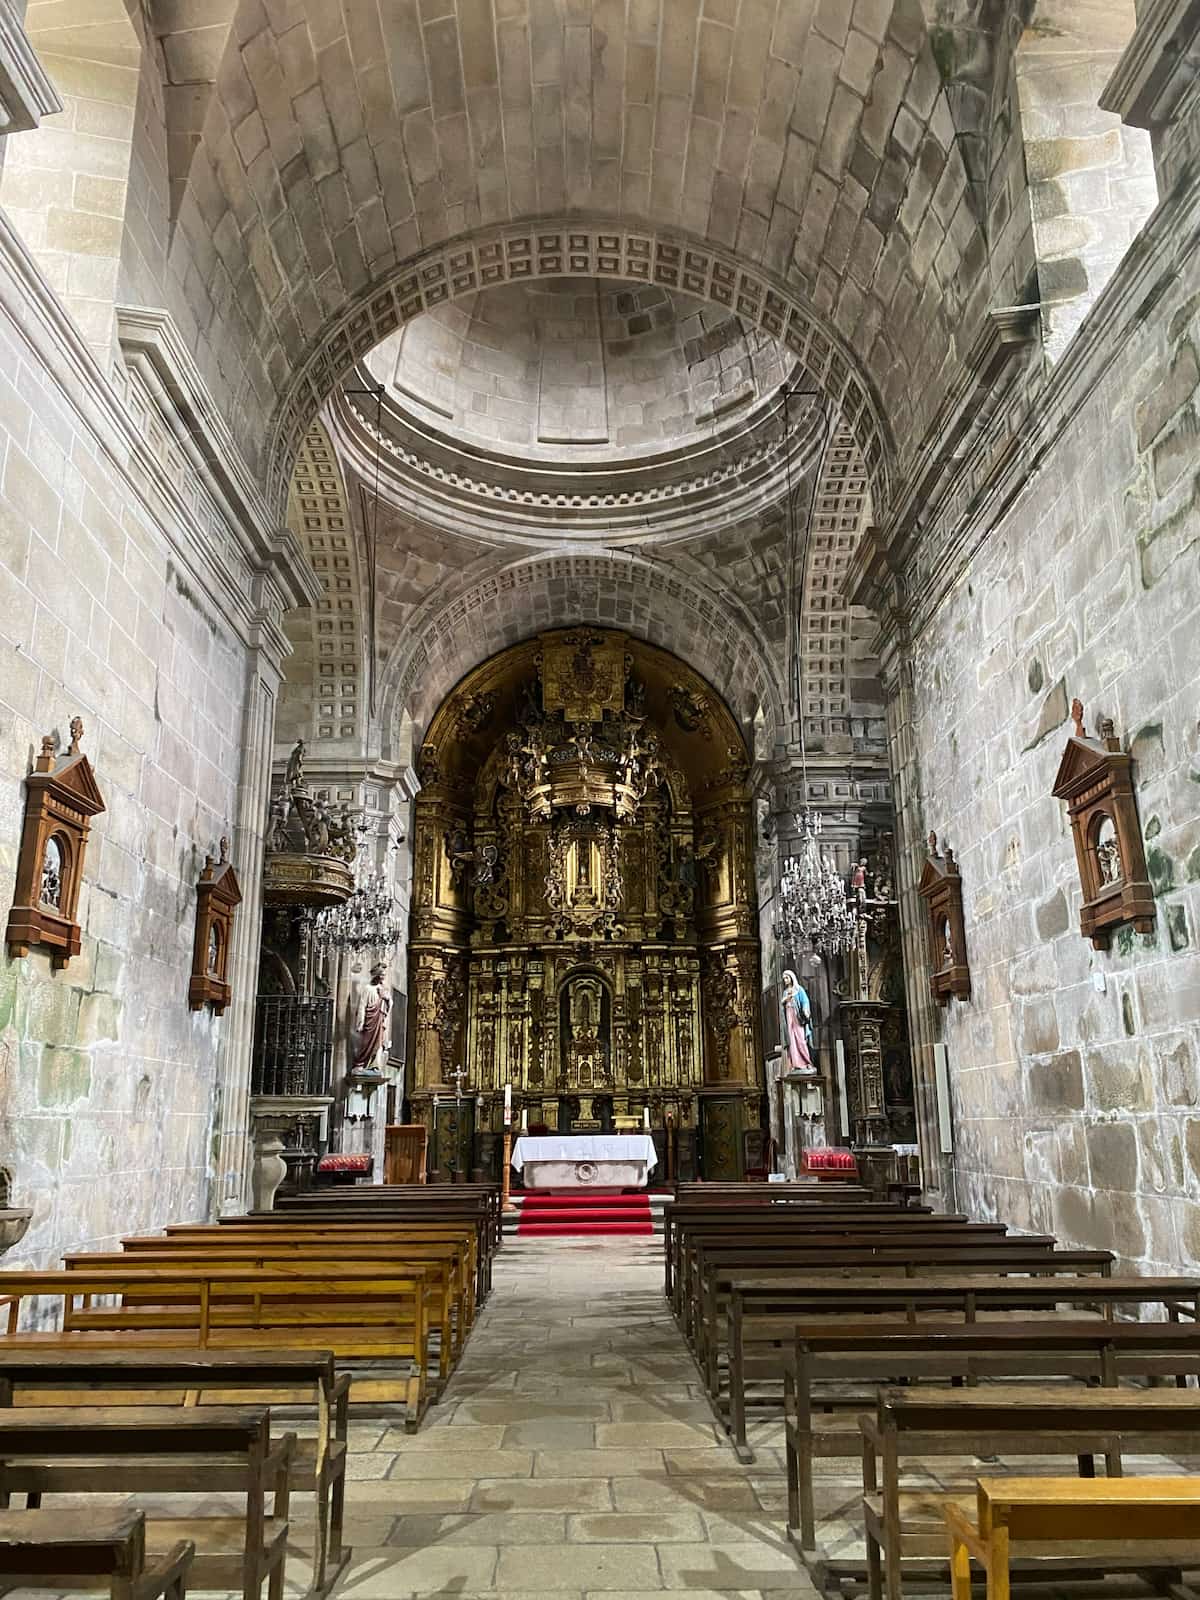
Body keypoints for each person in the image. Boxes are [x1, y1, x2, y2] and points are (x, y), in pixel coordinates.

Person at [780, 969, 814, 1073]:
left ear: (791, 978)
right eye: (784, 978)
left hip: (798, 1018)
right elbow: (782, 1003)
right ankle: (796, 1063)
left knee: (801, 1040)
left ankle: (807, 1062)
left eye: (787, 978)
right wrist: (785, 999)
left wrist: (805, 1010)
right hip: (789, 1017)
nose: (785, 980)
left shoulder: (799, 989)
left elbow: (805, 1001)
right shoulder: (785, 992)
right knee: (792, 1040)